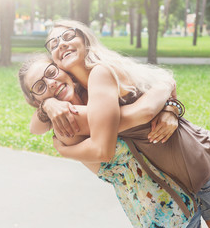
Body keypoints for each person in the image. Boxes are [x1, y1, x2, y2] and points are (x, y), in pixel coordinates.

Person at [37, 19, 210, 228]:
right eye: (53, 44)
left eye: (67, 36)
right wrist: (48, 104)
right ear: (52, 61)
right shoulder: (79, 97)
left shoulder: (101, 74)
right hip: (188, 181)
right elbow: (35, 125)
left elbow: (145, 107)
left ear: (84, 39)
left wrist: (63, 149)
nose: (60, 44)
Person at [18, 54, 200, 227]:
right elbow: (142, 112)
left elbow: (154, 83)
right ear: (35, 101)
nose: (50, 83)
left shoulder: (93, 91)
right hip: (164, 211)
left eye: (51, 73)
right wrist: (47, 107)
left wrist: (171, 106)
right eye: (40, 87)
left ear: (62, 71)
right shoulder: (67, 124)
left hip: (183, 186)